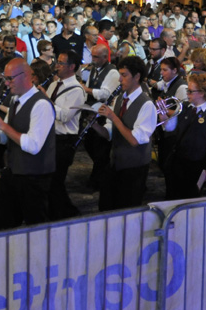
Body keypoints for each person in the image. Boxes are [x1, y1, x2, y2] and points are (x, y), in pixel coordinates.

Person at [0, 58, 56, 230]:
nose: (6, 84)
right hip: (14, 172)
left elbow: (33, 145)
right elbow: (5, 137)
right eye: (5, 79)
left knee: (36, 229)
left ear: (25, 76)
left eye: (10, 79)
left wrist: (2, 125)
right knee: (1, 226)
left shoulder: (42, 105)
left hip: (35, 178)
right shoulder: (16, 101)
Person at [97, 56, 157, 210]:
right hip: (116, 163)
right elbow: (111, 133)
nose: (119, 79)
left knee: (127, 211)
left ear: (137, 76)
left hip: (134, 168)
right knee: (107, 206)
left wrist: (112, 116)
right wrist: (94, 125)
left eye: (124, 75)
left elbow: (134, 140)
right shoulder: (119, 99)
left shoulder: (147, 105)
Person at [160, 73, 206, 199]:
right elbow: (170, 127)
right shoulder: (183, 107)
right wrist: (163, 115)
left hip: (196, 162)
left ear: (202, 93)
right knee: (173, 192)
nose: (187, 94)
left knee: (190, 195)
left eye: (190, 91)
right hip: (178, 159)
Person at [46, 50, 85, 220]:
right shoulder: (54, 84)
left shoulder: (76, 90)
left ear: (72, 67)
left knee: (56, 179)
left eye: (61, 63)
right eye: (57, 62)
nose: (57, 66)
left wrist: (45, 101)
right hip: (50, 138)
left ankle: (64, 213)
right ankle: (58, 211)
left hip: (64, 140)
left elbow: (64, 116)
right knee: (50, 179)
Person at [80, 44, 120, 188]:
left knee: (100, 147)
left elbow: (106, 94)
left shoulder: (113, 73)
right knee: (90, 144)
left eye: (96, 57)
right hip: (93, 110)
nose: (93, 59)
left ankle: (100, 179)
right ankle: (99, 175)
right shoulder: (94, 70)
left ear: (105, 57)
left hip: (104, 112)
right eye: (92, 56)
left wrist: (86, 88)